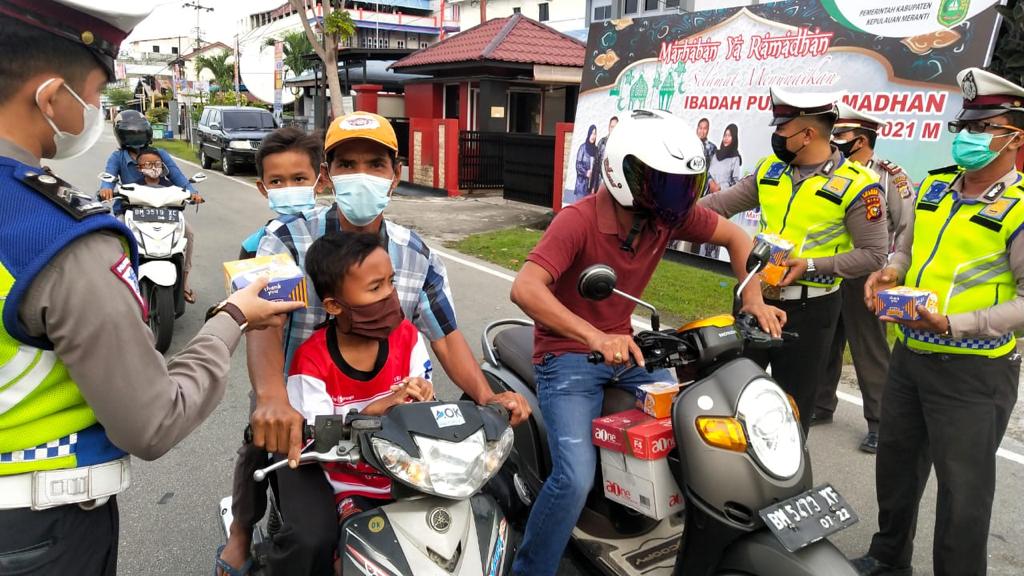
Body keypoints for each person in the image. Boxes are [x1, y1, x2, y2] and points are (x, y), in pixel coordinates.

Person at [0, 3, 302, 574]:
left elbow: (186, 186)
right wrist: (233, 316)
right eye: (93, 94)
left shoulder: (161, 161)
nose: (96, 111)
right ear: (50, 97)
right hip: (36, 533)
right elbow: (152, 421)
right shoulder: (56, 236)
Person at [217, 112, 530, 576]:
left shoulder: (415, 253)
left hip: (390, 423)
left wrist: (488, 396)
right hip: (302, 411)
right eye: (347, 164)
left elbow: (444, 335)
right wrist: (271, 398)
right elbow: (266, 325)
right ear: (328, 176)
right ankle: (241, 535)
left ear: (395, 176)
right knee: (310, 537)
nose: (360, 175)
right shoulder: (283, 240)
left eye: (375, 164)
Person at [508, 109, 786, 576]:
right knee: (574, 477)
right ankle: (531, 568)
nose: (676, 196)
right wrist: (595, 335)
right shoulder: (577, 221)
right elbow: (526, 288)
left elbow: (737, 237)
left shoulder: (664, 215)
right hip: (566, 357)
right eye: (663, 183)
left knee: (699, 431)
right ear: (623, 173)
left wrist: (752, 299)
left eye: (682, 185)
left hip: (628, 350)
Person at [852, 67, 1024, 576]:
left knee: (963, 495)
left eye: (982, 127)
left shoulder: (1019, 209)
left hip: (974, 375)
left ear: (1016, 136)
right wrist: (889, 272)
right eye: (965, 126)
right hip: (910, 358)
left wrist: (954, 323)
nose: (967, 137)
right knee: (897, 469)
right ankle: (888, 559)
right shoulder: (935, 186)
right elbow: (908, 243)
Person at [698, 88, 889, 433]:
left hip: (809, 310)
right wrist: (664, 212)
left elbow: (874, 254)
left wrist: (812, 265)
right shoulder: (770, 168)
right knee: (733, 399)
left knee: (791, 410)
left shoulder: (859, 186)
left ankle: (782, 483)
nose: (776, 137)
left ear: (807, 134)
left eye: (782, 130)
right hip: (753, 299)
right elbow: (719, 206)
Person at [287, 232, 433, 525]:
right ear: (333, 306)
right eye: (375, 287)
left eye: (390, 281)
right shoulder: (311, 361)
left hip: (412, 476)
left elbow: (423, 409)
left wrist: (424, 393)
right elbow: (317, 439)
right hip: (350, 486)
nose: (390, 295)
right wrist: (374, 411)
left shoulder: (408, 337)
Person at [814, 103, 915, 453]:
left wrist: (891, 270)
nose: (836, 141)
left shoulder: (889, 176)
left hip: (867, 272)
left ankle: (880, 422)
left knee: (869, 348)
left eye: (841, 135)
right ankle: (821, 405)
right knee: (826, 341)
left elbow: (905, 228)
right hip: (831, 267)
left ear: (861, 140)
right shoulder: (828, 171)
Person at [100, 110, 202, 303]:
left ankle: (185, 282)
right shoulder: (117, 157)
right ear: (121, 136)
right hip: (131, 210)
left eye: (139, 133)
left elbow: (178, 177)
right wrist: (106, 189)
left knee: (188, 234)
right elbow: (109, 177)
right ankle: (118, 283)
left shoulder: (160, 154)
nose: (136, 137)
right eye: (131, 133)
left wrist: (192, 192)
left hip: (163, 209)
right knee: (115, 239)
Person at [238, 127, 326, 259]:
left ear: (320, 182)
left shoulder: (334, 234)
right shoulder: (253, 246)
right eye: (276, 181)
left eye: (298, 179)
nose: (288, 188)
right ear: (263, 188)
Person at [703, 123, 743, 259]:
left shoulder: (735, 158)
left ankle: (711, 260)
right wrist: (711, 183)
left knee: (716, 231)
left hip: (722, 199)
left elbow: (736, 182)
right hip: (709, 196)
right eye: (725, 135)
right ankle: (701, 258)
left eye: (729, 136)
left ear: (734, 138)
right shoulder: (716, 155)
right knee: (704, 227)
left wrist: (721, 188)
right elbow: (708, 173)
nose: (726, 139)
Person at [589, 116, 618, 194]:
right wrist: (593, 187)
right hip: (600, 184)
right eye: (612, 127)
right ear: (609, 127)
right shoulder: (602, 143)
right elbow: (595, 166)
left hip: (613, 187)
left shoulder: (619, 145)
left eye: (615, 127)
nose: (613, 129)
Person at [573, 124, 597, 201]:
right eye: (592, 133)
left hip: (591, 188)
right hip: (581, 187)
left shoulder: (596, 150)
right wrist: (586, 172)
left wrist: (594, 187)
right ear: (589, 134)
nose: (593, 136)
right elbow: (578, 165)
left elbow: (597, 169)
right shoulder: (582, 148)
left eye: (595, 133)